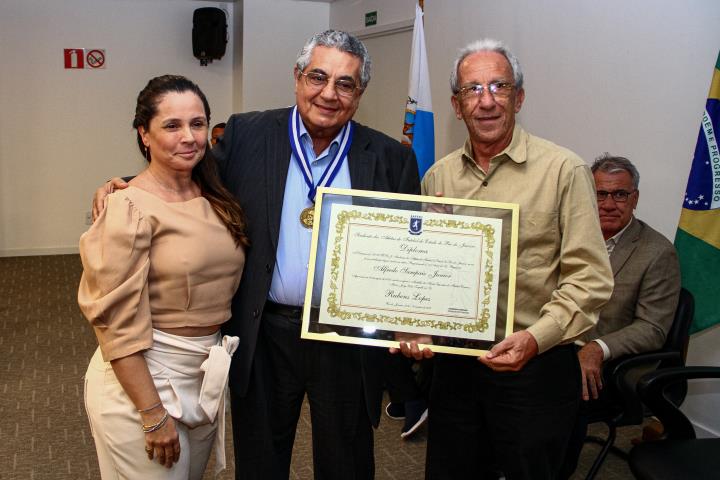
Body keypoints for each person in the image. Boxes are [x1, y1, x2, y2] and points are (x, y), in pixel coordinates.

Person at [93, 31, 419, 479]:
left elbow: (409, 251)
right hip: (265, 332)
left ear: (360, 92)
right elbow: (189, 173)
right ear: (297, 77)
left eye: (345, 84)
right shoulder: (249, 134)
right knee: (260, 459)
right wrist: (125, 185)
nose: (328, 93)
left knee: (347, 459)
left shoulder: (389, 158)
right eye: (317, 77)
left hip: (344, 339)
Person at [400, 39, 614, 479]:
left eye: (499, 86)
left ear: (518, 97)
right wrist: (413, 319)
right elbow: (422, 267)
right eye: (473, 90)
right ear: (457, 106)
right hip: (456, 366)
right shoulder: (438, 176)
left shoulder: (563, 170)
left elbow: (590, 278)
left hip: (536, 366)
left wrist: (536, 338)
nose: (487, 101)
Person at [79, 75, 249, 479]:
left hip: (204, 373)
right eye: (171, 126)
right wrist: (152, 413)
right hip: (141, 380)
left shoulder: (217, 195)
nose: (188, 137)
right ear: (144, 133)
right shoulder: (126, 208)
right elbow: (115, 325)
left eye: (198, 123)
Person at [560, 153, 681, 478]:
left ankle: (553, 470)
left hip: (612, 363)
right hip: (560, 340)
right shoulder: (569, 236)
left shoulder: (657, 252)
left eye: (620, 194)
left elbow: (653, 327)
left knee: (557, 387)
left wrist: (597, 347)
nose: (609, 203)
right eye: (600, 193)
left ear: (635, 198)